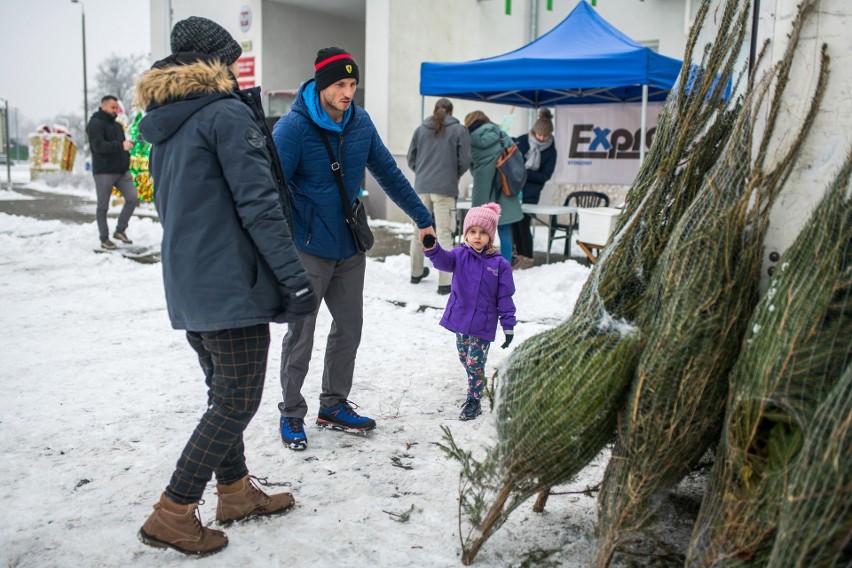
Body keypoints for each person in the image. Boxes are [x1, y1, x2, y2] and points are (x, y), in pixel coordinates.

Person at [134, 16, 317, 556]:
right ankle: (173, 510)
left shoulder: (168, 120)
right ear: (213, 64)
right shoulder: (224, 116)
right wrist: (294, 278)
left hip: (191, 282)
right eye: (230, 62)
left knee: (223, 395)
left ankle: (235, 493)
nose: (236, 72)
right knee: (235, 402)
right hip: (231, 283)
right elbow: (260, 207)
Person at [272, 47, 436, 451]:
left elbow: (389, 172)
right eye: (341, 85)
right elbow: (268, 186)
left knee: (349, 328)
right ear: (322, 85)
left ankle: (333, 404)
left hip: (348, 246)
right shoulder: (293, 128)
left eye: (353, 84)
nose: (348, 92)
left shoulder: (359, 121)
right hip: (307, 247)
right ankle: (291, 412)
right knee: (302, 334)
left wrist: (421, 217)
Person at [423, 202, 516, 420]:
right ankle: (475, 381)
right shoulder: (459, 255)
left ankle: (474, 400)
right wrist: (432, 248)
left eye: (483, 232)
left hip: (483, 323)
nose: (477, 236)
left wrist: (508, 325)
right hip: (461, 319)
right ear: (465, 234)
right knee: (465, 358)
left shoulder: (500, 264)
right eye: (472, 231)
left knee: (475, 362)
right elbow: (443, 261)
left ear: (490, 236)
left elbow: (505, 297)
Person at [407, 98, 471, 295]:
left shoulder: (420, 129)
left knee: (419, 231)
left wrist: (423, 173)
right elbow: (465, 160)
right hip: (445, 189)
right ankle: (445, 282)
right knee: (444, 233)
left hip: (421, 187)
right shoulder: (459, 130)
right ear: (450, 112)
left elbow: (411, 159)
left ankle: (416, 273)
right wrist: (455, 175)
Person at [464, 111, 523, 262]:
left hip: (481, 191)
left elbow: (470, 166)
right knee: (504, 231)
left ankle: (479, 263)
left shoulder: (468, 140)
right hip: (504, 187)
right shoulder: (501, 135)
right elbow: (516, 158)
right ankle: (505, 267)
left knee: (479, 231)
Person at [86, 95, 139, 250]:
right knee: (103, 207)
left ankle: (120, 230)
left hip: (122, 171)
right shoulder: (94, 124)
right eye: (113, 107)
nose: (116, 110)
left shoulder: (117, 126)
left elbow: (121, 146)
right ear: (103, 106)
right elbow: (98, 146)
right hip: (104, 171)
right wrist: (121, 146)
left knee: (132, 198)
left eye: (117, 107)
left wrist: (127, 148)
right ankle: (104, 238)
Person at [511, 109, 557, 269]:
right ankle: (516, 254)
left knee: (524, 223)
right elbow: (511, 161)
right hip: (514, 189)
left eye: (545, 136)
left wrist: (526, 172)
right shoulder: (522, 141)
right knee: (513, 223)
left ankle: (527, 257)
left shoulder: (551, 151)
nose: (542, 138)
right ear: (534, 131)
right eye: (539, 135)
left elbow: (545, 175)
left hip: (531, 192)